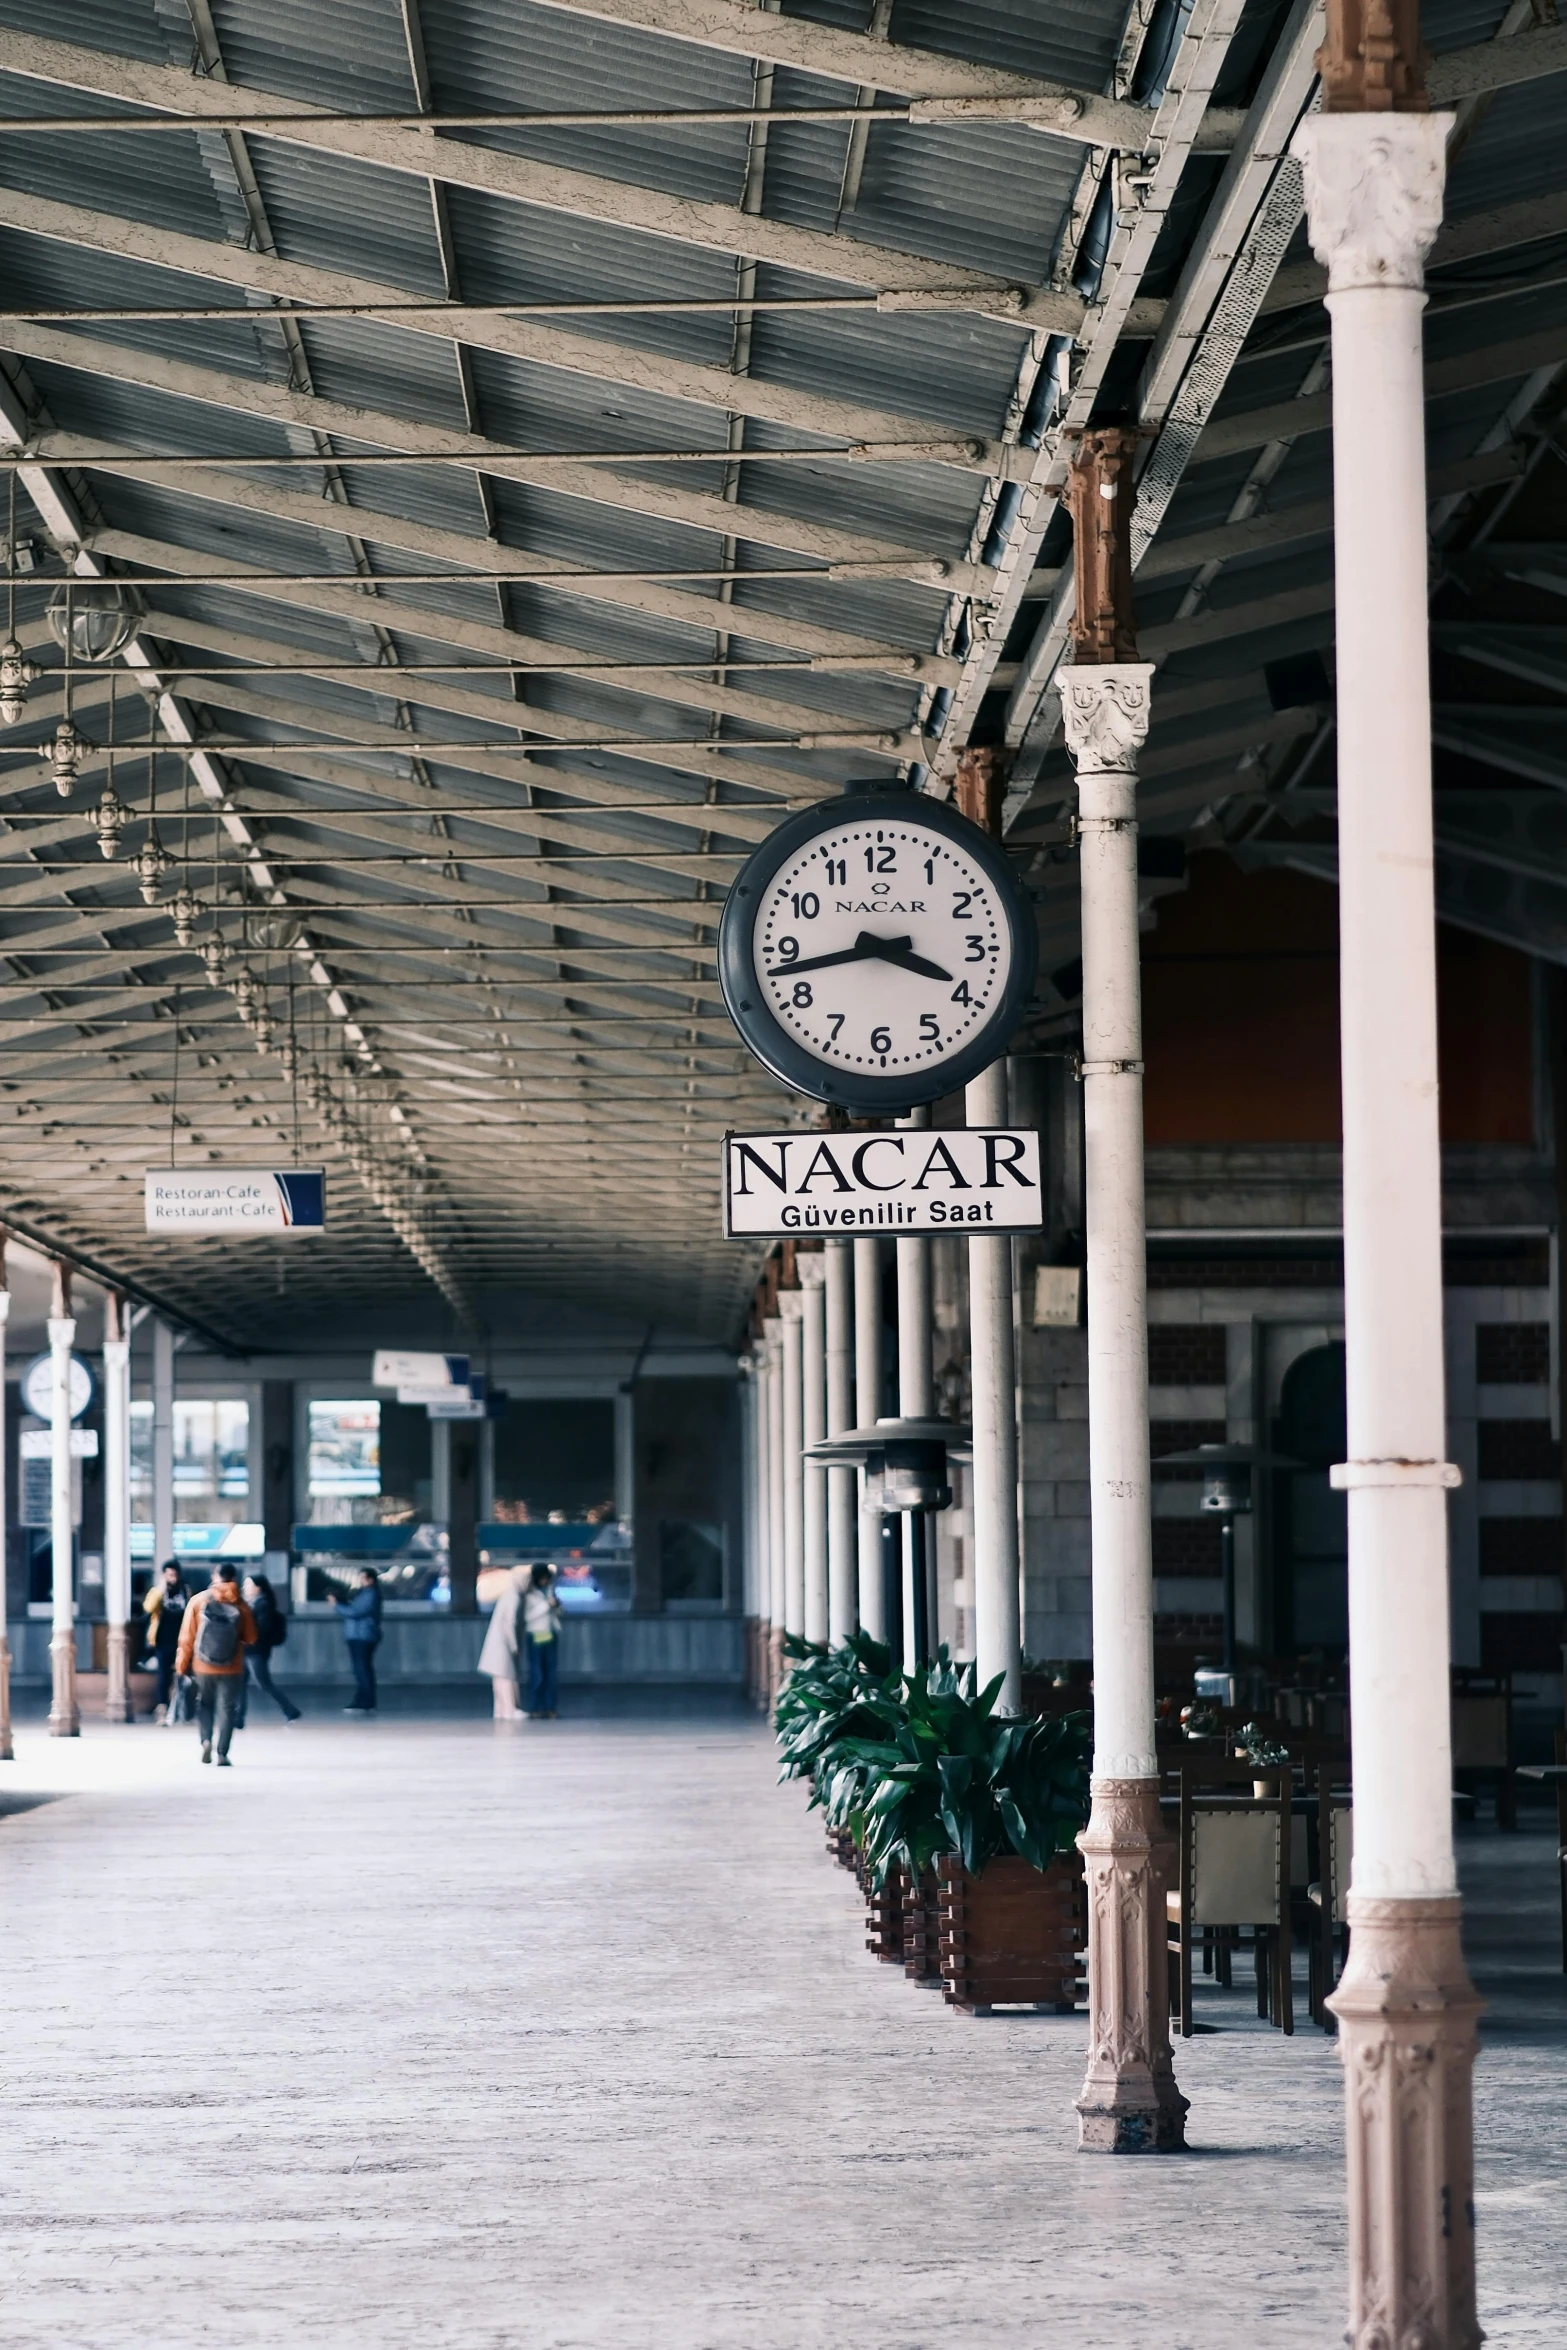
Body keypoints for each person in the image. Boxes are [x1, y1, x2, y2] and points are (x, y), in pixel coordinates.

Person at [174, 1565, 257, 1766]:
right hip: (232, 1666)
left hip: (202, 1665)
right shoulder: (241, 1605)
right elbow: (251, 1638)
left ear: (214, 1577)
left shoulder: (198, 1601)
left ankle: (205, 1741)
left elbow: (187, 1638)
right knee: (227, 1709)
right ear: (234, 1578)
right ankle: (222, 1753)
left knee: (204, 1704)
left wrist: (181, 1666)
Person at [238, 1571, 302, 1724]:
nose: (245, 1587)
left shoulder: (263, 1604)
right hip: (246, 1649)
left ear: (258, 1588)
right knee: (240, 1682)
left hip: (257, 1650)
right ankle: (238, 1717)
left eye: (249, 1585)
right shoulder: (249, 1603)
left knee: (263, 1682)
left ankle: (290, 1710)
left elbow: (261, 1628)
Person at [477, 1563, 526, 1720]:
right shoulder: (514, 1595)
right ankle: (510, 1709)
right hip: (503, 1642)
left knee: (498, 1677)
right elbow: (509, 1622)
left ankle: (500, 1710)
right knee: (506, 1676)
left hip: (496, 1640)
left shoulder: (507, 1593)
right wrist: (514, 1644)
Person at [331, 1567, 383, 1715]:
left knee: (362, 1669)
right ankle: (364, 1699)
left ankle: (365, 1701)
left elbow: (355, 1612)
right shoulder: (365, 1593)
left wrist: (337, 1605)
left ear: (370, 1579)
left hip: (363, 1636)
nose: (360, 1581)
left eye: (363, 1578)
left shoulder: (370, 1594)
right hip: (359, 1635)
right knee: (362, 1669)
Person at [142, 1561, 188, 1724]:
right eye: (169, 1575)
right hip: (162, 1640)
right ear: (164, 1576)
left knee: (184, 1675)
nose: (172, 1578)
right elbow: (148, 1608)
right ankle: (162, 1708)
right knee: (163, 1677)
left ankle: (183, 1709)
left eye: (174, 1575)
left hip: (182, 1641)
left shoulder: (185, 1591)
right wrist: (160, 1591)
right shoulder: (157, 1592)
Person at [522, 1563, 562, 1719]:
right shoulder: (529, 1595)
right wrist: (547, 1605)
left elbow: (556, 1613)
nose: (546, 1582)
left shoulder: (551, 1591)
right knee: (537, 1673)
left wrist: (557, 1606)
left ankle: (550, 1707)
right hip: (536, 1634)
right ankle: (535, 1707)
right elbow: (528, 1617)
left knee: (551, 1674)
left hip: (551, 1634)